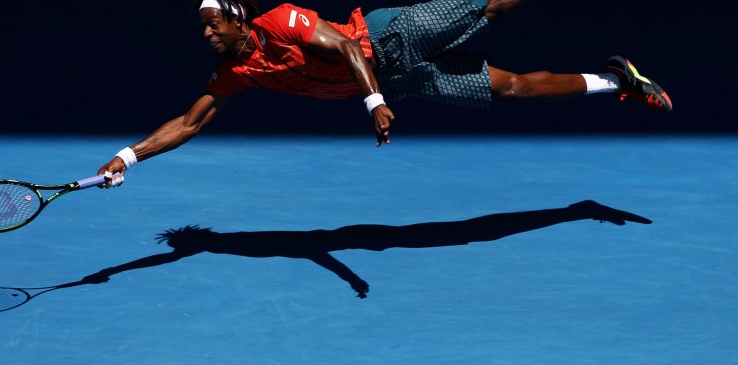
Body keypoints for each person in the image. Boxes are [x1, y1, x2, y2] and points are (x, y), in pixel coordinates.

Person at [98, 0, 671, 186]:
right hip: (399, 79)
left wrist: (372, 103)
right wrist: (128, 157)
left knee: (493, 3)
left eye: (210, 26)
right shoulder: (235, 75)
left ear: (237, 21)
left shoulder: (277, 20)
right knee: (513, 89)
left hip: (389, 35)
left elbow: (348, 50)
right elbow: (190, 122)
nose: (205, 35)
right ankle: (618, 79)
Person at [80, 200, 652, 298]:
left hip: (364, 242)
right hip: (362, 240)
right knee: (470, 230)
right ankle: (574, 212)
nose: (185, 247)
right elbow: (164, 256)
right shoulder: (223, 246)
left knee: (474, 232)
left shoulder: (233, 246)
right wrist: (112, 270)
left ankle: (577, 210)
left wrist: (348, 278)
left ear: (194, 243)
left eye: (186, 244)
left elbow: (310, 251)